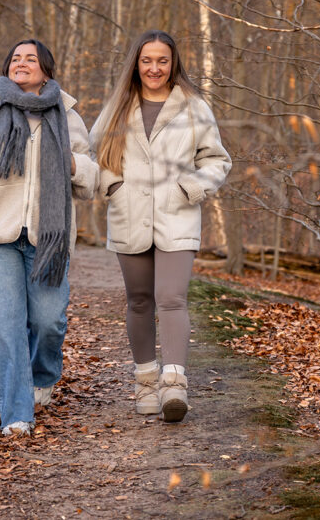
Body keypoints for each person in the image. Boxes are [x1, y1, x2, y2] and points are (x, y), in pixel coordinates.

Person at [0, 39, 98, 436]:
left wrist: (70, 163)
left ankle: (43, 376)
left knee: (49, 322)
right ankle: (16, 415)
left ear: (45, 70)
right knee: (6, 328)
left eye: (30, 58)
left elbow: (91, 180)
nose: (22, 63)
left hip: (49, 239)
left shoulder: (67, 116)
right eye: (15, 58)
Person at [90, 30, 231, 423]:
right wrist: (111, 185)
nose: (155, 68)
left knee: (171, 297)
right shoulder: (118, 107)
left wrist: (192, 186)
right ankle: (146, 382)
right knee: (138, 301)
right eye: (147, 60)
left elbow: (217, 160)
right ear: (137, 63)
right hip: (129, 213)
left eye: (162, 61)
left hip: (177, 212)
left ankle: (174, 386)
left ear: (173, 64)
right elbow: (91, 155)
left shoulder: (193, 106)